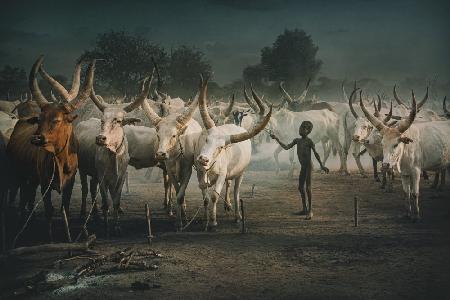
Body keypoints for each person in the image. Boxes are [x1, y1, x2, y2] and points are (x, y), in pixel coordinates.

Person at [270, 121, 329, 219]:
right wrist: (276, 138)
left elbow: (316, 153)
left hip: (309, 166)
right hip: (303, 167)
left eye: (304, 128)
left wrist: (322, 165)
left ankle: (310, 211)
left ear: (308, 131)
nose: (301, 129)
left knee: (308, 188)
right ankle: (304, 208)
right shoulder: (297, 140)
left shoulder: (309, 141)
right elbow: (286, 147)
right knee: (300, 187)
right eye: (301, 127)